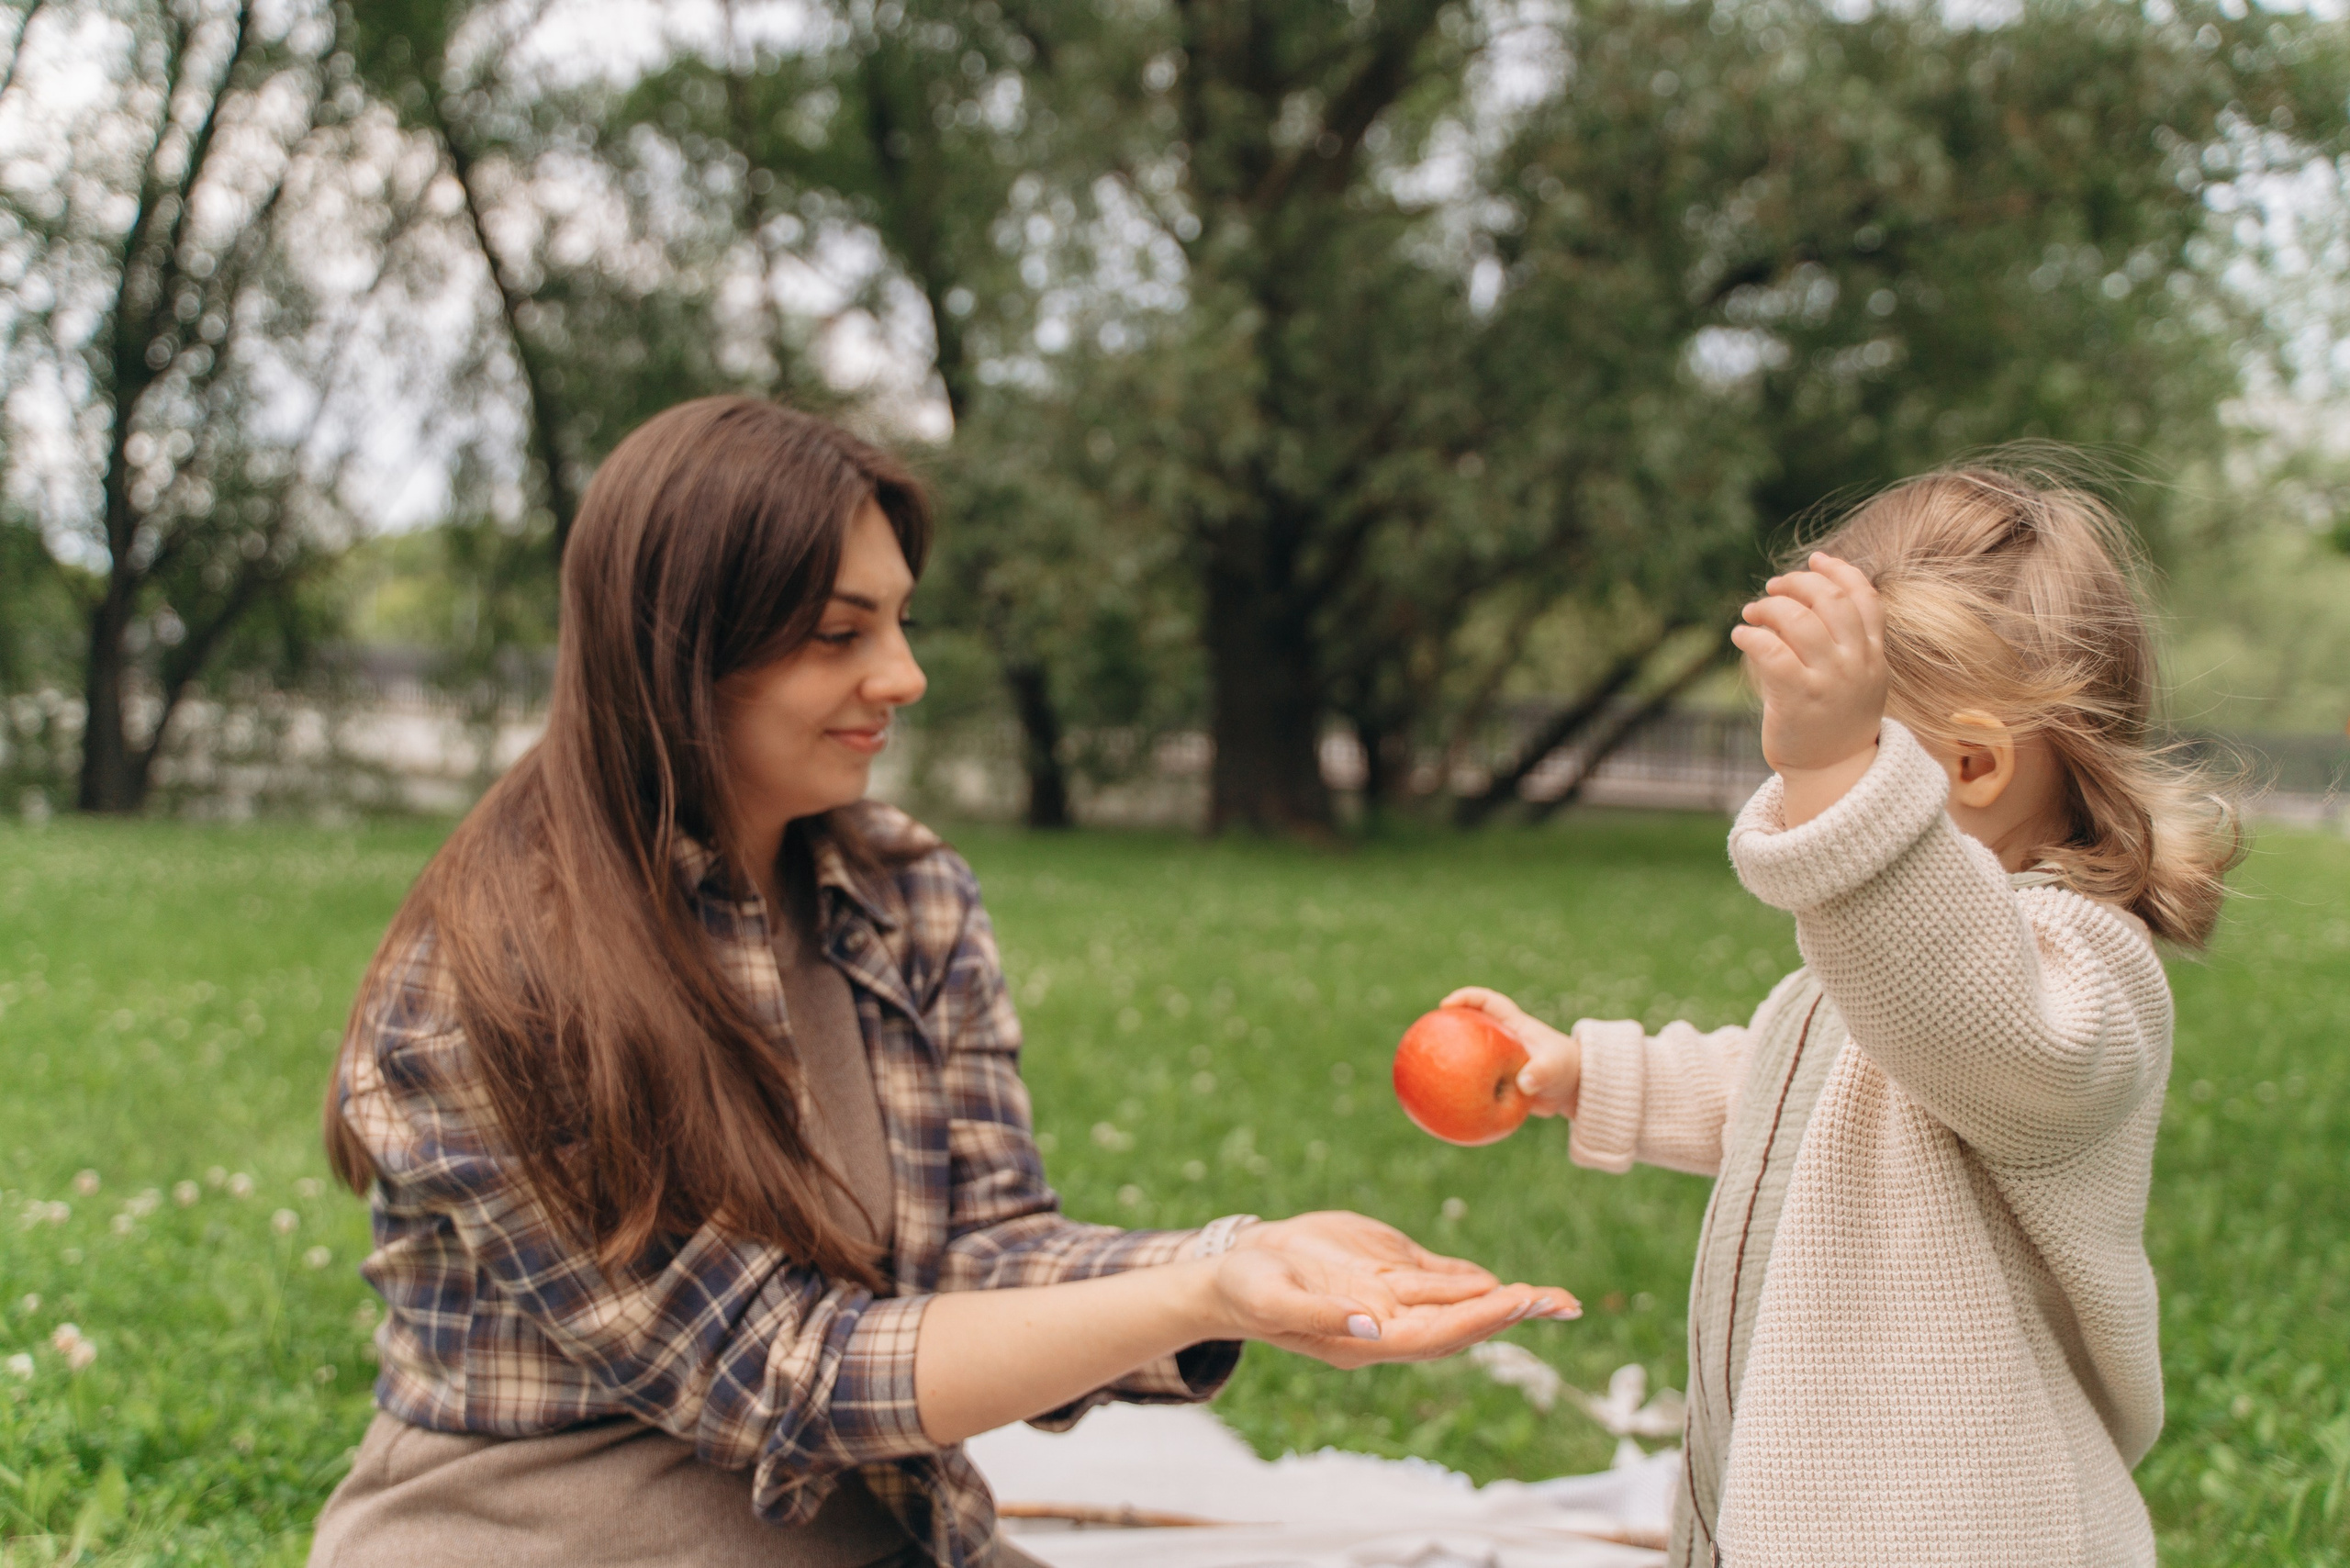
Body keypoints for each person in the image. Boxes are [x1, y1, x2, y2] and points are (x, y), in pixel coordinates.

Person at [311, 396, 1578, 1568]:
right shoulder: (496, 986)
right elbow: (782, 1375)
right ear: (679, 657)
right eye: (839, 635)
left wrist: (1240, 1261)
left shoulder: (906, 892)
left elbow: (983, 1253)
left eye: (900, 621)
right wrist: (1197, 1289)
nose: (904, 677)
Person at [1446, 463, 2240, 1568]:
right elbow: (1786, 1092)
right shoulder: (1892, 984)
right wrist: (1593, 1073)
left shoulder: (2079, 977)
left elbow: (1977, 1019)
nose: (1800, 784)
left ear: (1966, 765)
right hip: (1799, 1501)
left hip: (1963, 1530)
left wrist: (1834, 774)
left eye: (1853, 747)